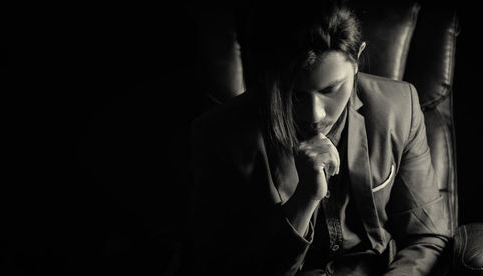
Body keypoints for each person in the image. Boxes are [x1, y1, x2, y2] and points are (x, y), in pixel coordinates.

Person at [186, 1, 450, 275]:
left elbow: (427, 237)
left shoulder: (399, 107)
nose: (314, 114)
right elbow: (217, 264)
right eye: (295, 93)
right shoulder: (219, 135)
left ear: (358, 59)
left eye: (331, 89)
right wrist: (305, 199)